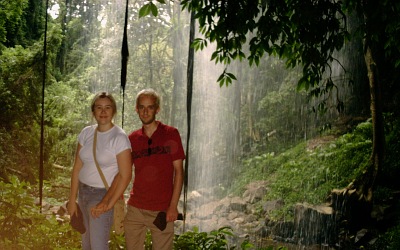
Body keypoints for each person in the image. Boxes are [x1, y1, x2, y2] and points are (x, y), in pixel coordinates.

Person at [67, 92, 132, 250]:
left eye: (107, 108)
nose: (103, 112)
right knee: (86, 244)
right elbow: (77, 168)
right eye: (99, 108)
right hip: (83, 193)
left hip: (102, 194)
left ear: (113, 111)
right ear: (93, 111)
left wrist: (108, 204)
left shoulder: (120, 138)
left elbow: (126, 175)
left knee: (98, 246)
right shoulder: (86, 133)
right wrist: (72, 200)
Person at [124, 88, 185, 250]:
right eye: (142, 107)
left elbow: (179, 171)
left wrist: (173, 205)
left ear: (157, 109)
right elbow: (124, 173)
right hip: (135, 208)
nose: (145, 112)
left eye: (150, 107)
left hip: (162, 210)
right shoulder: (132, 139)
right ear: (136, 109)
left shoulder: (171, 134)